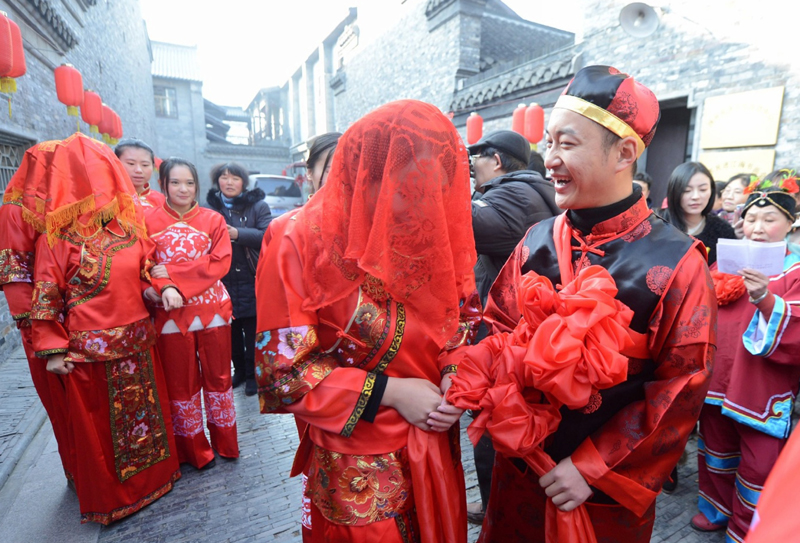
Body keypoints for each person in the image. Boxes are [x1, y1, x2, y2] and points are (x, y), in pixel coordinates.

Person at [446, 65, 715, 543]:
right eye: (547, 143)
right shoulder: (536, 240)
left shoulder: (678, 264)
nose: (549, 159)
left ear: (625, 152)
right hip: (518, 468)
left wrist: (591, 466)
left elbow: (681, 390)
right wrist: (463, 386)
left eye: (566, 144)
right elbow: (495, 329)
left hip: (598, 490)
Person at [254, 100, 481, 543]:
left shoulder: (428, 228)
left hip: (433, 439)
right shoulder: (296, 237)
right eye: (410, 183)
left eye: (437, 185)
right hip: (357, 461)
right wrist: (393, 391)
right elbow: (282, 373)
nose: (424, 202)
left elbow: (462, 319)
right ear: (368, 173)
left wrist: (458, 375)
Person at [27, 133, 181, 524]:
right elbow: (46, 295)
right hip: (90, 356)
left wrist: (160, 291)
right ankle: (114, 500)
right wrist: (53, 348)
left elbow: (148, 272)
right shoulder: (58, 237)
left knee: (145, 423)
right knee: (104, 436)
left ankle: (154, 483)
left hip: (138, 347)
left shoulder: (130, 229)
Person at [692, 175, 800, 540]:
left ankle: (745, 530)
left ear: (790, 223)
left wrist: (765, 299)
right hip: (717, 382)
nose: (757, 227)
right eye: (751, 219)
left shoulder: (795, 271)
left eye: (769, 219)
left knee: (759, 465)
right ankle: (716, 509)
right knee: (716, 452)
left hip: (761, 389)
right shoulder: (725, 262)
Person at [466, 129, 560, 523]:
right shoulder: (532, 190)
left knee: (491, 419)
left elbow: (462, 227)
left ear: (498, 160)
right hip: (526, 330)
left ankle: (495, 508)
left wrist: (445, 184)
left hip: (505, 331)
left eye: (476, 158)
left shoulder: (509, 195)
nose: (471, 167)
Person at [144, 157, 239, 469]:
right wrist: (163, 284)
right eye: (175, 182)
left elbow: (221, 261)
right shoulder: (148, 222)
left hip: (214, 310)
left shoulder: (212, 220)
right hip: (171, 312)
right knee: (181, 383)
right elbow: (145, 266)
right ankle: (193, 449)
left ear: (197, 186)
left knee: (220, 377)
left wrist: (171, 271)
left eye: (189, 183)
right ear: (163, 185)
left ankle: (226, 442)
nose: (182, 189)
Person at [1, 143, 76, 487]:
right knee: (61, 404)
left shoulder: (69, 206)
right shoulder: (14, 212)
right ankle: (77, 473)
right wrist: (37, 331)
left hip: (78, 319)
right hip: (43, 327)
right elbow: (14, 276)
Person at [206, 162, 272, 396]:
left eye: (234, 178)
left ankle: (253, 375)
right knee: (230, 332)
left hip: (252, 278)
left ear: (243, 182)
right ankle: (240, 372)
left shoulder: (258, 206)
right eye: (224, 178)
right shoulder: (210, 209)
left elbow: (267, 235)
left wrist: (237, 234)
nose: (229, 182)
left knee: (253, 332)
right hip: (222, 281)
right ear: (218, 182)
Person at [661, 161, 736, 265]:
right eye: (687, 190)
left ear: (712, 191)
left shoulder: (723, 232)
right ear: (674, 192)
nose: (696, 196)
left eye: (703, 189)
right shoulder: (657, 226)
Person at [115, 138, 166, 209]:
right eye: (131, 163)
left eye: (145, 165)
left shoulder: (162, 201)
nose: (139, 170)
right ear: (116, 163)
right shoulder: (105, 197)